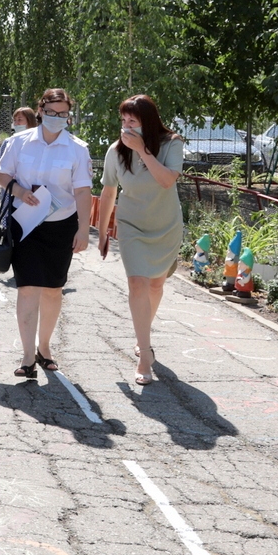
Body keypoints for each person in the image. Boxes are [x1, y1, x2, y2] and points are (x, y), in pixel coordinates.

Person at [0, 88, 94, 379]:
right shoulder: (19, 142)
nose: (56, 117)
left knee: (52, 289)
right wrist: (19, 191)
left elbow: (83, 191)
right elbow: (2, 175)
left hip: (61, 226)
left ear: (69, 116)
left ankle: (44, 348)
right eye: (51, 112)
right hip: (25, 224)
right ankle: (27, 357)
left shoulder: (77, 148)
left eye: (63, 113)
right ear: (40, 111)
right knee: (27, 287)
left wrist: (83, 229)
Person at [95, 95, 184, 385]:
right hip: (131, 224)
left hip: (165, 225)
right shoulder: (115, 151)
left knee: (156, 285)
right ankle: (145, 354)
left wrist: (143, 150)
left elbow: (166, 180)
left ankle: (142, 334)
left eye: (132, 121)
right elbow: (109, 192)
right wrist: (103, 231)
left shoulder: (171, 144)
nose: (126, 126)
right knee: (137, 283)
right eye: (123, 120)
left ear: (148, 122)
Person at [0, 107, 39, 206]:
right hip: (10, 192)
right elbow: (0, 169)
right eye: (14, 120)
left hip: (32, 193)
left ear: (30, 121)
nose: (16, 123)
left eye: (20, 120)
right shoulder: (9, 142)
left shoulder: (39, 143)